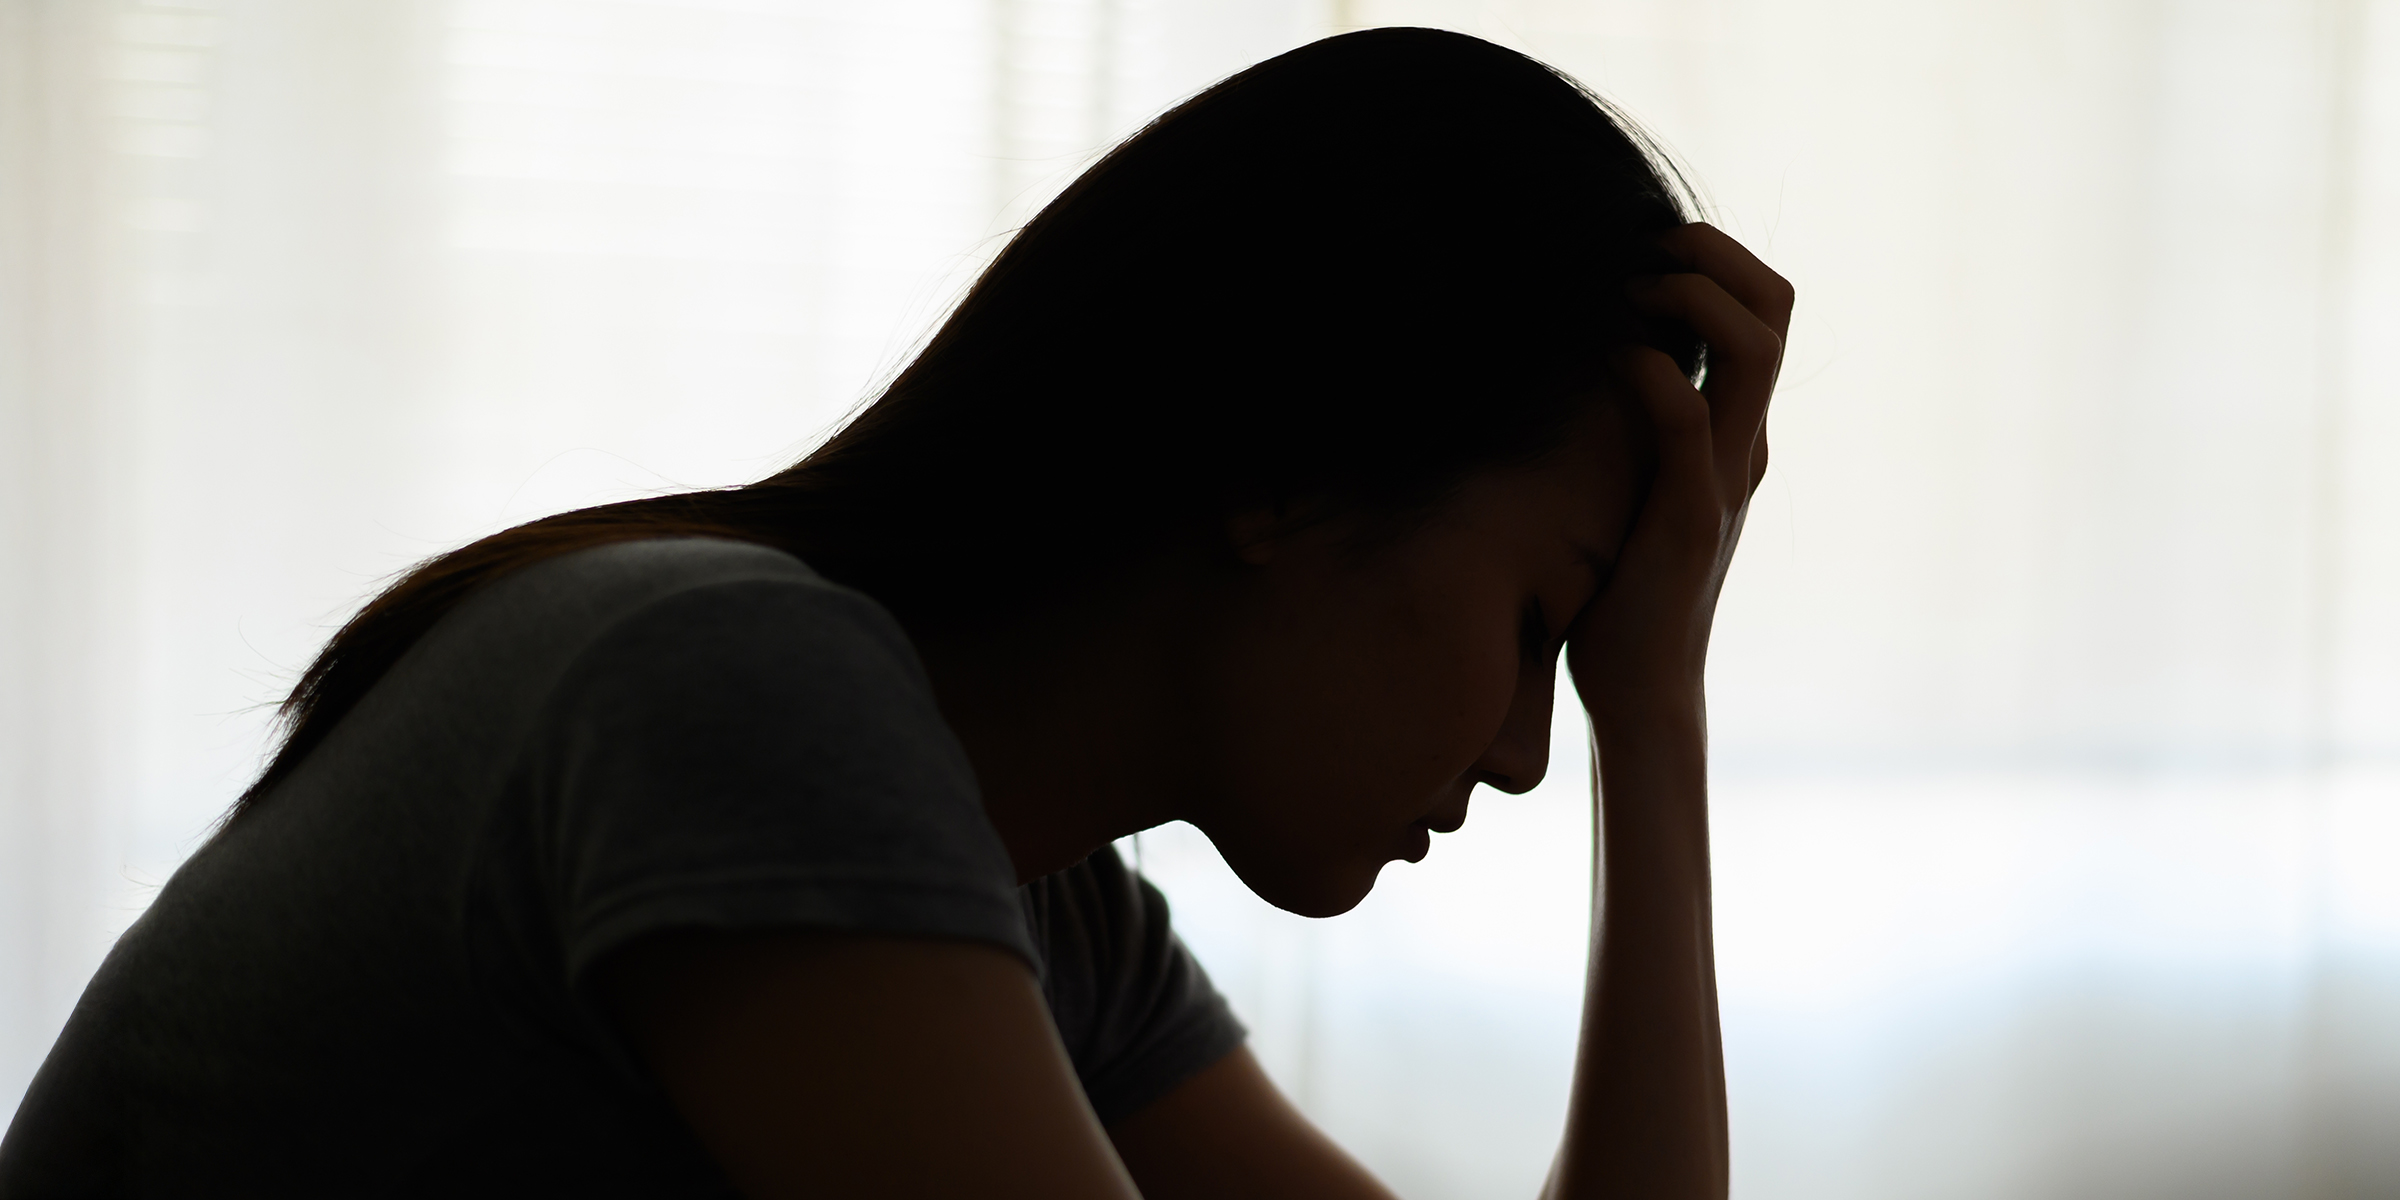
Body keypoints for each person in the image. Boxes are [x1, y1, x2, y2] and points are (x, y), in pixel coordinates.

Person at [0, 26, 1789, 1200]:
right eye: (1549, 624)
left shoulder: (1042, 908)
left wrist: (1664, 712)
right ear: (1290, 472)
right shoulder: (736, 695)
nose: (1521, 751)